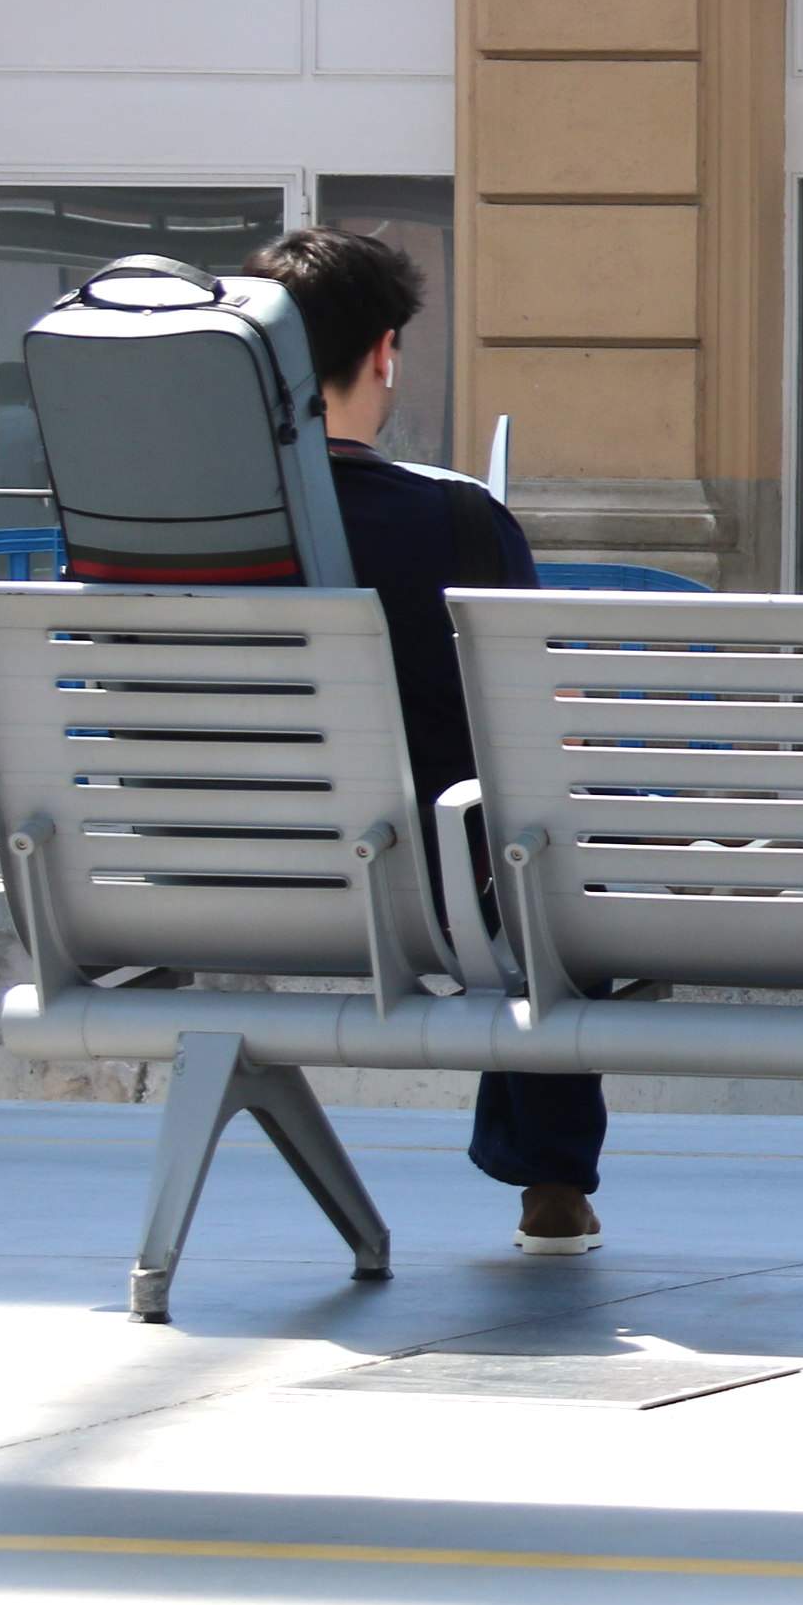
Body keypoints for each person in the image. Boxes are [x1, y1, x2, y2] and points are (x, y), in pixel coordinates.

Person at [237, 227, 574, 1253]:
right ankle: (552, 1179)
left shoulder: (201, 534)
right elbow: (527, 735)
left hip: (227, 884)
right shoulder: (460, 520)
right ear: (385, 351)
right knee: (539, 855)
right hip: (431, 895)